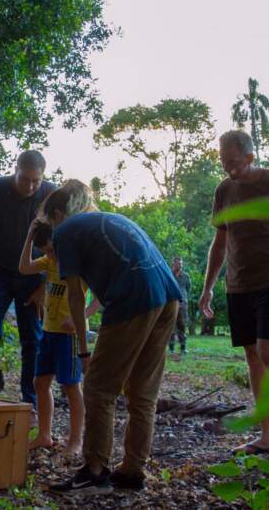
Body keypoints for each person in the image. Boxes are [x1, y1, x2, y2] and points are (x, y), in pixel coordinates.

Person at [44, 181, 182, 495]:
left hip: (132, 300)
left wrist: (83, 350)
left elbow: (75, 297)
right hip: (168, 297)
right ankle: (132, 471)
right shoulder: (110, 219)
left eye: (50, 222)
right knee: (142, 392)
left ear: (57, 214)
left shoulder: (65, 232)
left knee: (98, 387)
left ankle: (94, 472)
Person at [198, 130, 269, 464]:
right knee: (253, 357)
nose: (228, 167)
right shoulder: (224, 190)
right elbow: (220, 243)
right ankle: (268, 435)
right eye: (223, 161)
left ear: (249, 157)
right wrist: (207, 288)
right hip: (238, 284)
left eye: (233, 161)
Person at [0, 150, 56, 408]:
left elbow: (59, 245)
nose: (30, 186)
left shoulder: (51, 194)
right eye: (25, 179)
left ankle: (30, 401)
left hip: (35, 276)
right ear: (15, 170)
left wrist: (44, 287)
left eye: (36, 181)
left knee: (33, 339)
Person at [18, 217, 100, 456]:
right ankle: (44, 435)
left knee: (70, 386)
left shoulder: (78, 265)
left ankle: (76, 440)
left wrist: (78, 317)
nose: (50, 256)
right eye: (46, 252)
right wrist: (29, 236)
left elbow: (100, 299)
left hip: (70, 335)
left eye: (52, 250)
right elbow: (24, 268)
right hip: (48, 332)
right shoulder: (49, 262)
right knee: (40, 382)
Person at [168, 257, 192, 354]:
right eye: (178, 264)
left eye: (181, 264)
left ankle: (183, 347)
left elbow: (188, 288)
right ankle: (171, 348)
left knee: (182, 325)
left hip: (183, 305)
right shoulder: (168, 274)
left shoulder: (186, 276)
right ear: (173, 264)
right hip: (170, 304)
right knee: (171, 326)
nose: (180, 265)